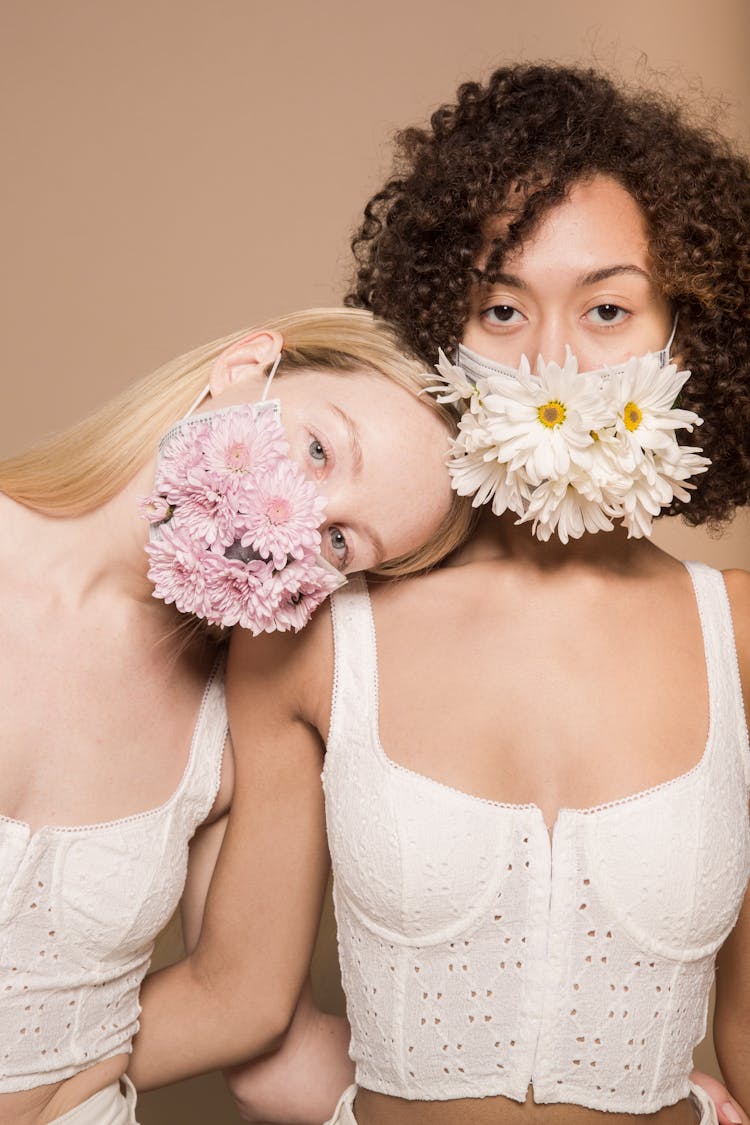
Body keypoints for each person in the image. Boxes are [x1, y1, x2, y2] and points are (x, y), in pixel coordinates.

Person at [129, 65, 749, 1125]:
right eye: (500, 308)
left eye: (608, 307)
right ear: (437, 335)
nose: (553, 360)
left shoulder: (738, 632)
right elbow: (241, 1004)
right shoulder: (319, 633)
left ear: (688, 336)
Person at [0, 306, 475, 1125]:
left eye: (340, 543)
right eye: (320, 449)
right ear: (247, 364)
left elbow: (245, 1005)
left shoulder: (239, 717)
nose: (297, 522)